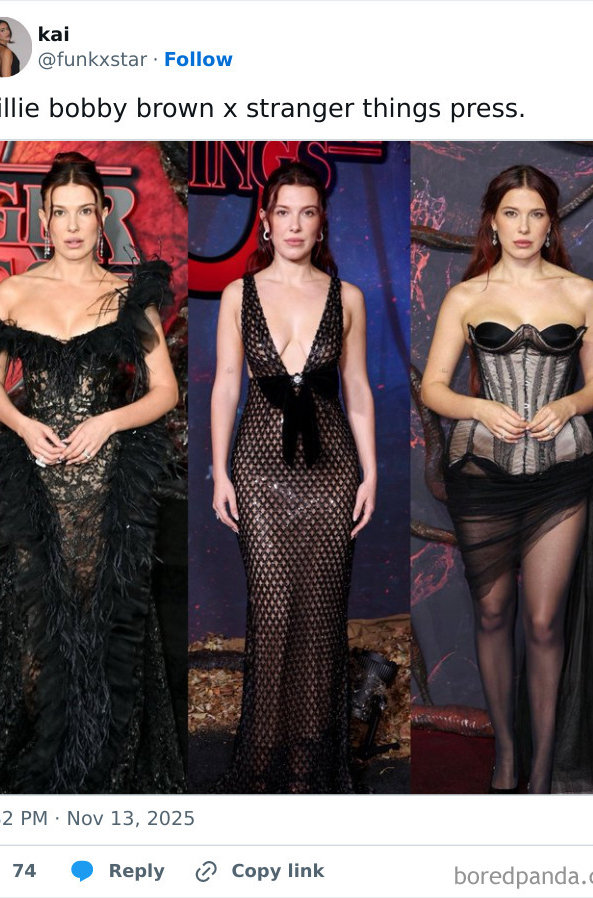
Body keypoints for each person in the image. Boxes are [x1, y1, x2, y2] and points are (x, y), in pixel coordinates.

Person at [0, 152, 186, 794]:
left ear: (104, 218)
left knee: (102, 628)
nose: (73, 225)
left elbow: (163, 392)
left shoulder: (126, 296)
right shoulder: (13, 292)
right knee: (37, 631)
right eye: (60, 212)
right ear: (44, 218)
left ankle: (99, 764)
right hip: (38, 481)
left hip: (105, 488)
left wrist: (107, 424)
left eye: (84, 212)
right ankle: (45, 764)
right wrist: (21, 424)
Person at [420, 165, 593, 794]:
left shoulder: (581, 291)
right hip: (483, 471)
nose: (524, 227)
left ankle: (541, 770)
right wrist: (479, 406)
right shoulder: (467, 296)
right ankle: (507, 752)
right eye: (513, 213)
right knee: (491, 613)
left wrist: (569, 404)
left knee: (543, 621)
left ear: (550, 222)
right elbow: (433, 387)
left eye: (536, 214)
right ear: (492, 220)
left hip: (561, 471)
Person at [211, 161, 377, 792]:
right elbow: (227, 384)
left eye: (307, 212)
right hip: (256, 462)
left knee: (320, 614)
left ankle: (309, 764)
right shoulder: (238, 293)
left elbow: (357, 390)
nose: (295, 224)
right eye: (284, 211)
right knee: (274, 612)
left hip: (332, 466)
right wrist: (219, 470)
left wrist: (370, 473)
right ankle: (260, 760)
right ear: (265, 218)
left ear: (321, 220)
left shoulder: (347, 296)